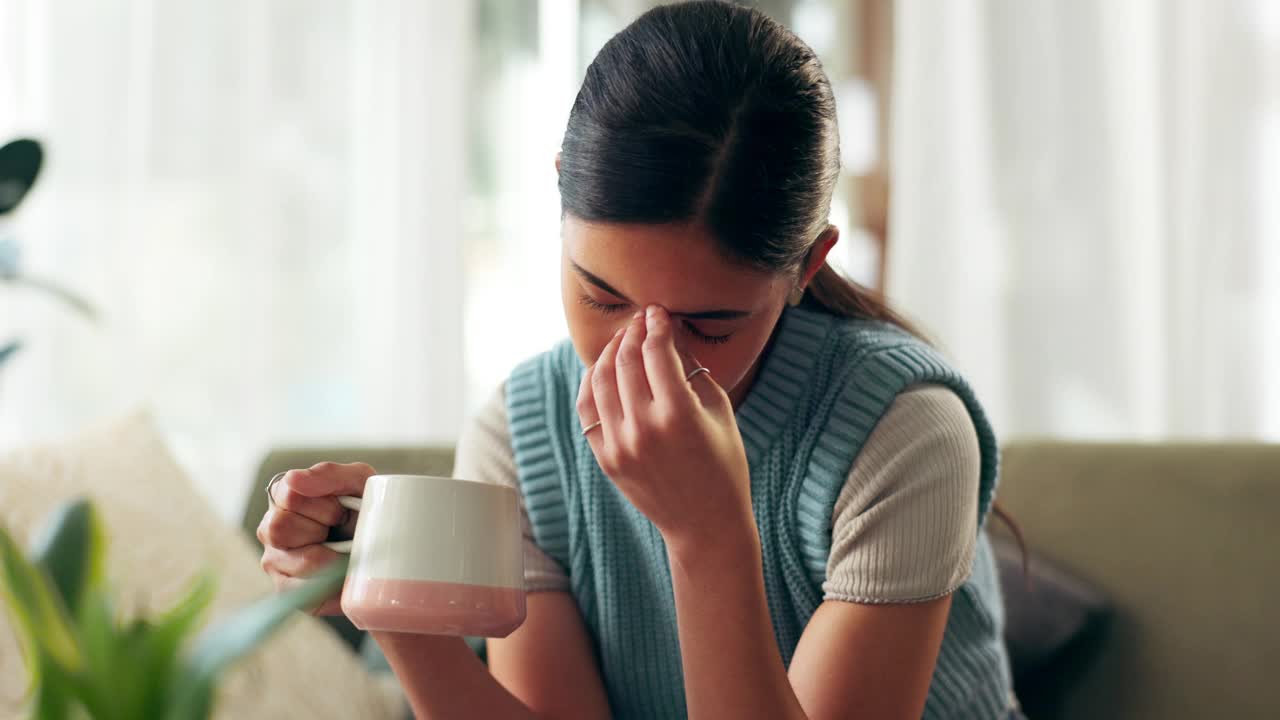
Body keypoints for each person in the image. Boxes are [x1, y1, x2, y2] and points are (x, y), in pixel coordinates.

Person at [258, 2, 1020, 717]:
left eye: (708, 325)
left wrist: (709, 536)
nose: (639, 352)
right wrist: (388, 596)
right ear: (560, 193)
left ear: (807, 266)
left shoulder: (905, 432)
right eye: (600, 294)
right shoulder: (524, 435)